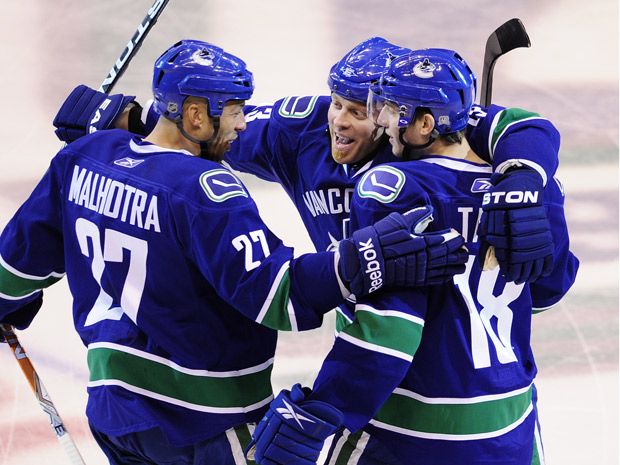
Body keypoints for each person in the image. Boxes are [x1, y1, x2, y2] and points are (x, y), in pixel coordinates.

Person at [0, 40, 468, 465]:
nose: (244, 124)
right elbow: (278, 294)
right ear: (197, 116)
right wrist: (363, 259)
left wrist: (11, 304)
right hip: (204, 422)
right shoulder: (208, 190)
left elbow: (13, 269)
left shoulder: (86, 155)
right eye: (235, 111)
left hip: (114, 414)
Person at [247, 48, 579, 465]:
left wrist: (324, 409)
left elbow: (388, 333)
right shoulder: (536, 186)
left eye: (391, 110)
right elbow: (549, 288)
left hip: (411, 429)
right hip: (509, 423)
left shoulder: (393, 185)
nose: (383, 120)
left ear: (425, 124)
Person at [53, 37, 563, 298]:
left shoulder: (414, 135)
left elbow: (526, 126)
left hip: (435, 321)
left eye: (358, 113)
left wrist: (524, 181)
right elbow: (210, 130)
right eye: (336, 103)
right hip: (355, 304)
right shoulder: (301, 128)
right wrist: (135, 120)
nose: (339, 122)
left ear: (392, 113)